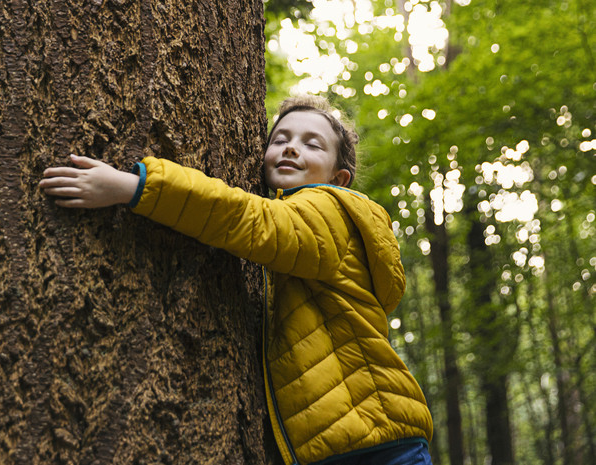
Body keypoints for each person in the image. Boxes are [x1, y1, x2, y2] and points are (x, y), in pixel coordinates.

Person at [38, 95, 434, 465]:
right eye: (281, 139)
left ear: (339, 177)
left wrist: (134, 186)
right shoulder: (308, 231)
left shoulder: (331, 209)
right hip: (356, 439)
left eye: (313, 145)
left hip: (373, 441)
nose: (293, 148)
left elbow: (248, 220)